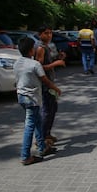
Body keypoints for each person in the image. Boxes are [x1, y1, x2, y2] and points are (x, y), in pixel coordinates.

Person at [14, 37, 61, 165]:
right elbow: (45, 80)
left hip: (22, 97)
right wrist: (56, 89)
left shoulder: (17, 63)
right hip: (32, 99)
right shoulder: (35, 64)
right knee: (30, 126)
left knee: (38, 122)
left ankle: (42, 147)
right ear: (31, 50)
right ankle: (25, 156)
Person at [35, 25, 66, 152]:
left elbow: (49, 61)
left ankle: (47, 133)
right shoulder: (40, 48)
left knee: (53, 108)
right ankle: (41, 139)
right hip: (45, 83)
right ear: (40, 34)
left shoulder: (47, 46)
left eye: (50, 33)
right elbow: (39, 67)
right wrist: (56, 63)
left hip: (49, 81)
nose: (49, 36)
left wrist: (59, 58)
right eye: (46, 33)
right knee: (47, 111)